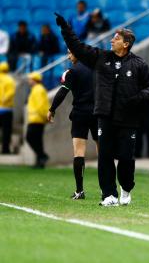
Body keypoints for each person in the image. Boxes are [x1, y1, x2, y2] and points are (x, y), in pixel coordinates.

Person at [55, 13, 149, 206]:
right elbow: (78, 47)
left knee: (126, 159)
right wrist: (65, 28)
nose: (112, 40)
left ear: (126, 44)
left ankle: (126, 187)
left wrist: (138, 98)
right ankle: (109, 195)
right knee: (105, 157)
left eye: (116, 38)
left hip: (128, 119)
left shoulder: (138, 64)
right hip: (104, 117)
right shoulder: (101, 58)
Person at [47, 50, 98, 200]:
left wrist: (52, 109)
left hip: (80, 114)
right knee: (103, 152)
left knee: (79, 152)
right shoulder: (97, 69)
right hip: (98, 113)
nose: (68, 57)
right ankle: (106, 191)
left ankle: (79, 191)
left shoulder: (72, 71)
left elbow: (63, 92)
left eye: (70, 53)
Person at [26, 72, 50, 168]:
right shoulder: (37, 89)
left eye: (30, 79)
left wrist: (44, 116)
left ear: (34, 79)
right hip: (36, 118)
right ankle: (40, 161)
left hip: (37, 119)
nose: (29, 81)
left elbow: (40, 106)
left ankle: (42, 156)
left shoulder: (38, 90)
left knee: (30, 138)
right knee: (38, 141)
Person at [0, 62, 16, 154]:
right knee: (6, 131)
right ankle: (5, 149)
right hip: (6, 109)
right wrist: (3, 101)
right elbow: (11, 93)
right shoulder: (9, 80)